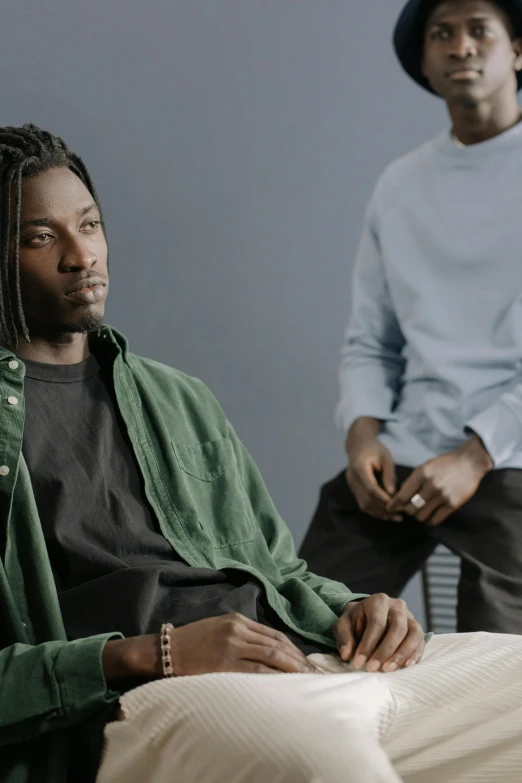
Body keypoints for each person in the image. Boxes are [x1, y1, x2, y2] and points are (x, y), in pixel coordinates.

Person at [0, 124, 521, 783]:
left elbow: (280, 570)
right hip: (170, 693)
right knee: (334, 767)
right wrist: (152, 654)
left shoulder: (179, 397)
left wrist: (357, 608)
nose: (83, 255)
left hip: (315, 658)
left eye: (91, 224)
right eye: (41, 237)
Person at [299, 0, 522, 635]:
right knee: (298, 622)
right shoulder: (400, 185)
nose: (462, 47)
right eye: (442, 34)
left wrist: (477, 456)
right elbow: (372, 339)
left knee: (498, 674)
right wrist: (362, 435)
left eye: (481, 29)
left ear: (518, 51)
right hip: (404, 454)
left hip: (510, 462)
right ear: (425, 62)